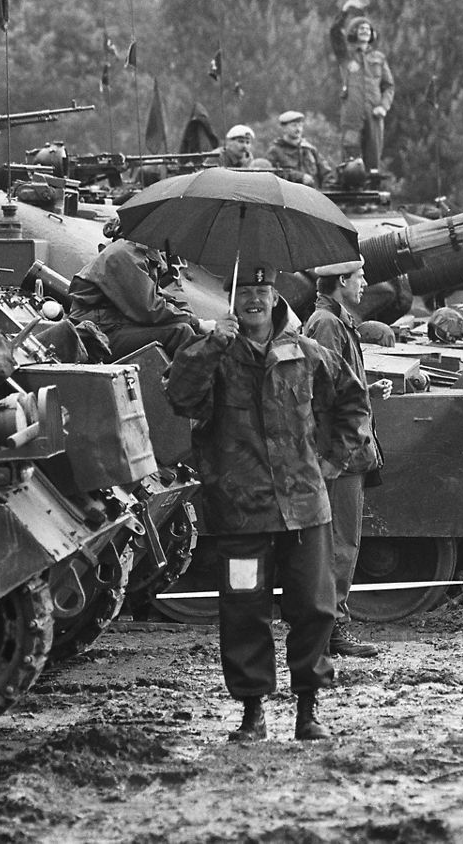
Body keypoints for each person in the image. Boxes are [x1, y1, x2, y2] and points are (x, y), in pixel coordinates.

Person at [164, 260, 371, 742]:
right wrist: (213, 342)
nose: (254, 299)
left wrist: (334, 461)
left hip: (305, 507)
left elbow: (353, 402)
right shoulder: (213, 354)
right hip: (242, 512)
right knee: (243, 611)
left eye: (263, 289)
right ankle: (252, 713)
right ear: (232, 299)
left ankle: (308, 710)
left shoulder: (307, 353)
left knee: (314, 608)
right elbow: (179, 397)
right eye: (245, 292)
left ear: (276, 297)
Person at [302, 259, 391, 658]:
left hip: (344, 450)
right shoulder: (327, 323)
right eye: (360, 277)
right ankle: (331, 629)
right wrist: (337, 456)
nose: (365, 284)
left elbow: (336, 382)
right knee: (338, 545)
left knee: (339, 543)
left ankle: (329, 624)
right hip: (339, 452)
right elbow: (323, 392)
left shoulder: (335, 321)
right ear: (342, 280)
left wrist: (367, 388)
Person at [67, 220, 210, 359]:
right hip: (94, 335)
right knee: (180, 332)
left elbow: (158, 295)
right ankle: (192, 381)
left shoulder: (140, 254)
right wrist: (197, 323)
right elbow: (149, 308)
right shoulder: (124, 254)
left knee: (185, 328)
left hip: (112, 325)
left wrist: (193, 318)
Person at [330, 0, 394, 173]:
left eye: (368, 29)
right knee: (351, 157)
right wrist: (345, 10)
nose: (365, 30)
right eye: (361, 28)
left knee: (373, 158)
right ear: (354, 32)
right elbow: (335, 33)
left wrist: (383, 107)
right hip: (352, 113)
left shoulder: (379, 58)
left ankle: (372, 193)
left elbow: (389, 86)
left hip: (374, 114)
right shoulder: (346, 55)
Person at [267, 110, 330, 188]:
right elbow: (272, 175)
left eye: (300, 125)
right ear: (284, 128)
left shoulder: (310, 150)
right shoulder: (275, 151)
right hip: (289, 195)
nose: (298, 129)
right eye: (294, 125)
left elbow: (325, 172)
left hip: (312, 195)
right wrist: (299, 177)